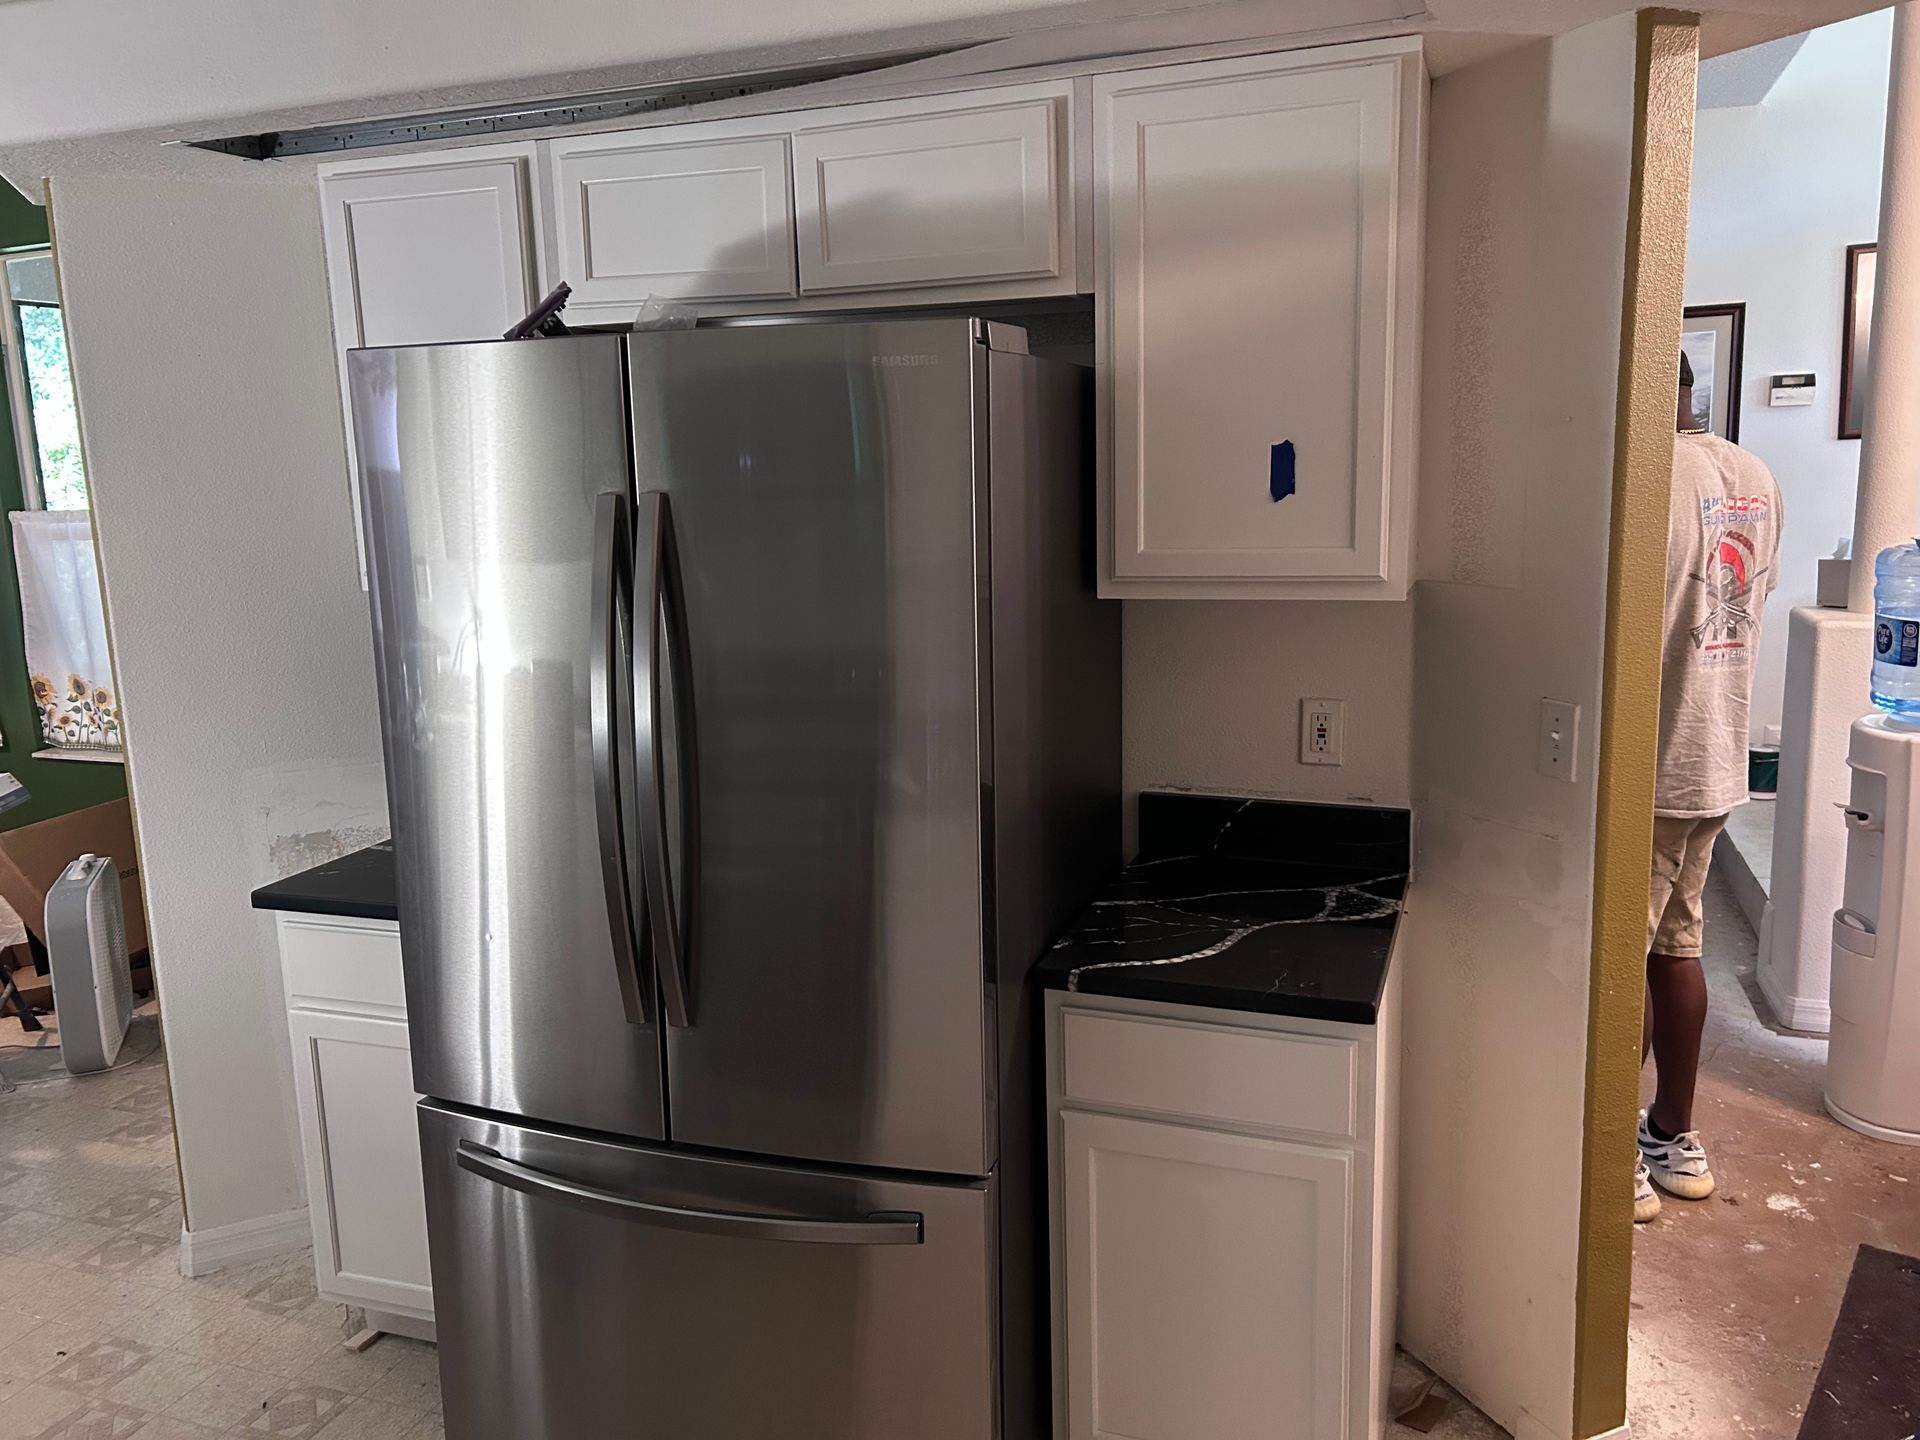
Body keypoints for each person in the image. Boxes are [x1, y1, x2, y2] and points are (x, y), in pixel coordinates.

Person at [1637, 349, 1783, 1224]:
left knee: (1622, 962)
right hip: (1718, 755)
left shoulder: (1646, 482)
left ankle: (1616, 1145)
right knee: (1679, 947)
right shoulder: (1752, 474)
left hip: (1652, 763)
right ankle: (1673, 1132)